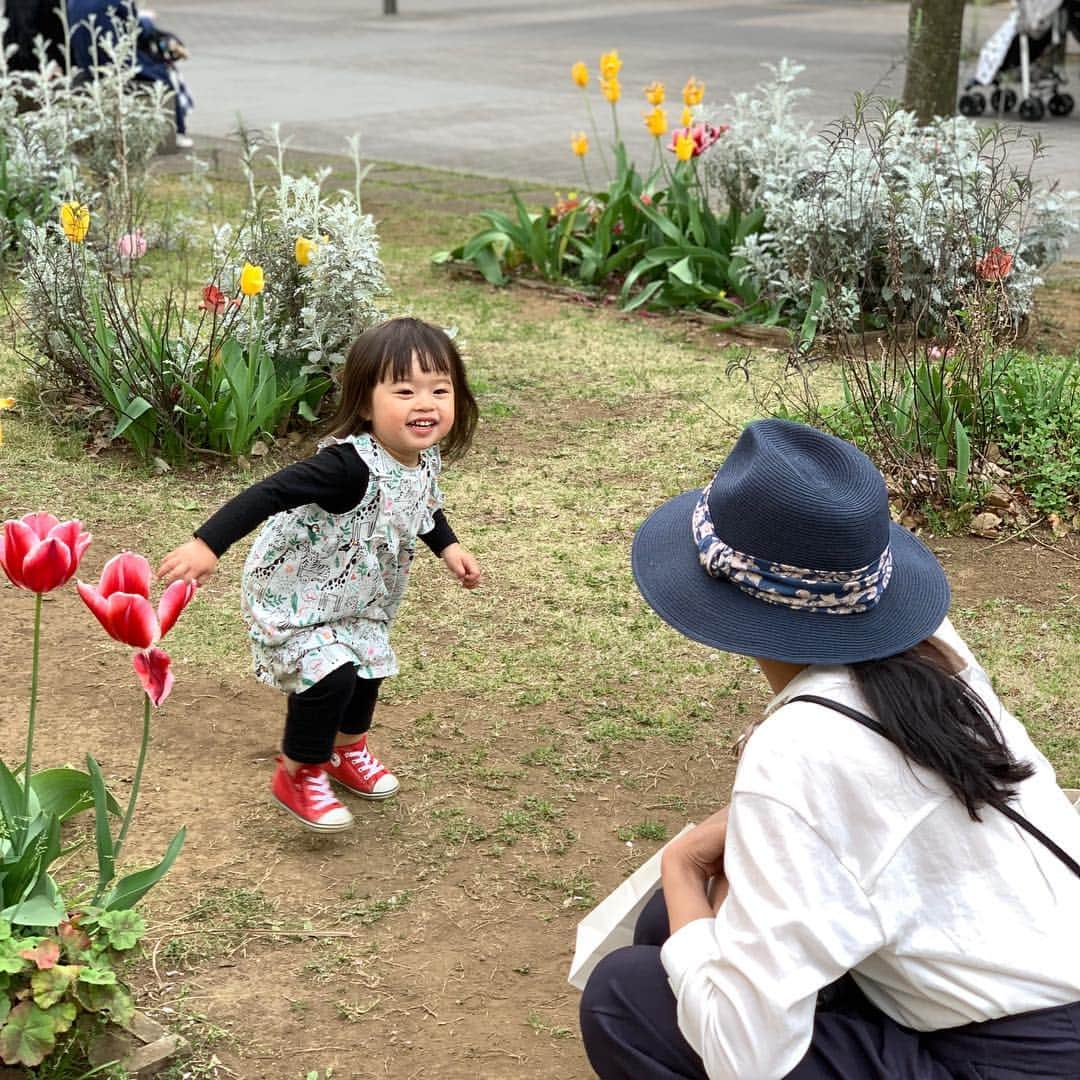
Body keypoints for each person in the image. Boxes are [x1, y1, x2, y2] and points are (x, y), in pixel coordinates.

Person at [580, 419, 1080, 1079]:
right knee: (664, 931)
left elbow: (743, 1056)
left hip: (1015, 1060)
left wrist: (678, 866)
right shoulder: (935, 654)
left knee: (627, 997)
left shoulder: (796, 748)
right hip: (1038, 980)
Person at [158, 318, 481, 832]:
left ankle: (345, 751)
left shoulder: (422, 459)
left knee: (369, 667)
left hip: (356, 597)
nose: (426, 404)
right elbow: (269, 493)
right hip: (297, 594)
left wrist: (448, 547)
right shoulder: (346, 468)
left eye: (440, 390)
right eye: (404, 391)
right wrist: (206, 544)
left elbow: (421, 507)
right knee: (331, 674)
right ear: (364, 404)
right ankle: (299, 769)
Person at [67, 0, 194, 147]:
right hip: (115, 64)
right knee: (164, 72)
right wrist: (147, 21)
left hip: (86, 63)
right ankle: (177, 130)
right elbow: (136, 28)